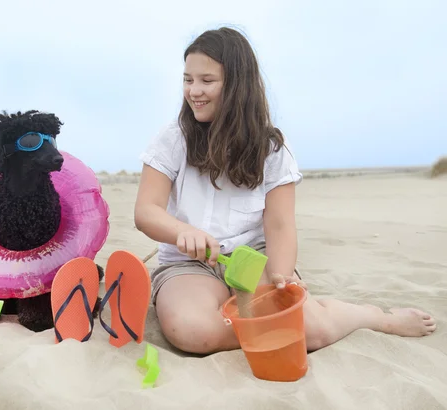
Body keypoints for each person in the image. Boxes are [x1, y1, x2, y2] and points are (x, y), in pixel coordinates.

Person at [133, 27, 437, 355]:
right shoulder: (172, 138)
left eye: (207, 81)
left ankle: (371, 317)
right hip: (189, 266)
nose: (194, 91)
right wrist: (183, 232)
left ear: (237, 84)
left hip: (253, 259)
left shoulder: (272, 147)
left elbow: (279, 225)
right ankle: (268, 326)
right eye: (188, 79)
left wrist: (281, 275)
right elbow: (146, 211)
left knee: (315, 332)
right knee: (192, 332)